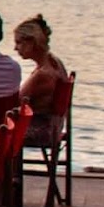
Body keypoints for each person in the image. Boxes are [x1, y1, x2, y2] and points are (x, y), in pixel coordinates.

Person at [14, 14, 68, 146]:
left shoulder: (43, 74)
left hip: (41, 131)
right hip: (53, 126)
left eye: (19, 43)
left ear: (31, 43)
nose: (15, 48)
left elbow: (18, 101)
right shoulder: (54, 61)